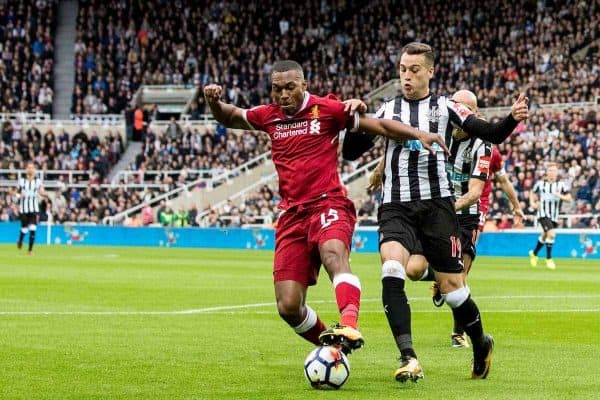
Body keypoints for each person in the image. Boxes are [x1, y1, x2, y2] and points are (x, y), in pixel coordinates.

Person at [203, 59, 447, 355]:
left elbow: (380, 125)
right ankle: (334, 349)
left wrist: (418, 134)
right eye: (277, 89)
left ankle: (348, 323)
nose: (283, 95)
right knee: (289, 306)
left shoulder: (328, 109)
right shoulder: (269, 116)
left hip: (328, 203)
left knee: (333, 253)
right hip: (292, 215)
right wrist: (214, 102)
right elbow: (230, 116)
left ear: (304, 85)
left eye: (290, 88)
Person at [355, 42, 529, 382]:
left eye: (415, 70)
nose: (407, 76)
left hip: (438, 206)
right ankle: (409, 357)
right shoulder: (387, 109)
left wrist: (511, 118)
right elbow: (351, 150)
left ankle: (480, 341)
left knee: (453, 289)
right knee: (392, 269)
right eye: (403, 69)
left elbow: (491, 132)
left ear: (431, 72)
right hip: (396, 204)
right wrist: (353, 120)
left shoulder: (447, 107)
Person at [528, 163, 572, 269]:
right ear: (547, 172)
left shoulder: (561, 185)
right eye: (550, 170)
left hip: (554, 215)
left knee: (545, 235)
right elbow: (532, 192)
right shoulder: (540, 184)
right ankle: (549, 259)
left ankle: (534, 254)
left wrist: (559, 195)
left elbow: (569, 198)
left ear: (557, 173)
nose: (552, 173)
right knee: (551, 234)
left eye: (554, 171)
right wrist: (532, 203)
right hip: (543, 213)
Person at [478, 146, 524, 232]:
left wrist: (517, 206)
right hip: (452, 200)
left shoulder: (492, 153)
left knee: (469, 241)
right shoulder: (450, 146)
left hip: (478, 205)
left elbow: (504, 182)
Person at [17, 161, 48, 255]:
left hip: (34, 208)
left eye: (32, 168)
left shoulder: (38, 181)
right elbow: (17, 193)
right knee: (24, 229)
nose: (30, 169)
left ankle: (30, 250)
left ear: (34, 170)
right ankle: (20, 239)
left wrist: (45, 194)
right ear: (26, 169)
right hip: (24, 209)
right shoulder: (21, 180)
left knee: (33, 228)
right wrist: (19, 196)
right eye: (29, 167)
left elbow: (41, 191)